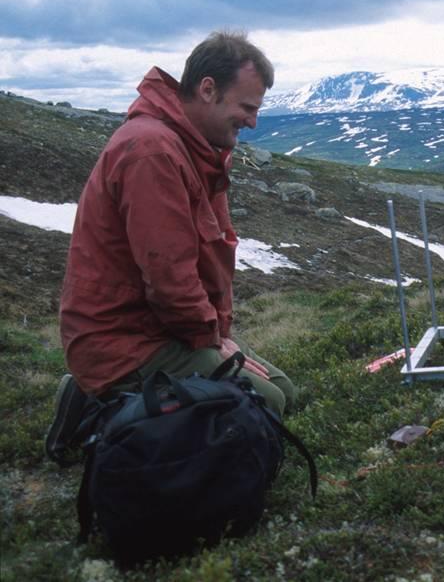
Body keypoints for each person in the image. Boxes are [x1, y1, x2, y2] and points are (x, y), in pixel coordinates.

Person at [46, 31, 296, 464]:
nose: (253, 122)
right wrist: (212, 342)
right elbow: (169, 277)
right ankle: (103, 404)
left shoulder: (198, 147)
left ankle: (116, 397)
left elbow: (203, 264)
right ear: (207, 89)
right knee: (265, 405)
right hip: (122, 342)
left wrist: (217, 337)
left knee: (285, 393)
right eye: (247, 108)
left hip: (161, 329)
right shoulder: (153, 152)